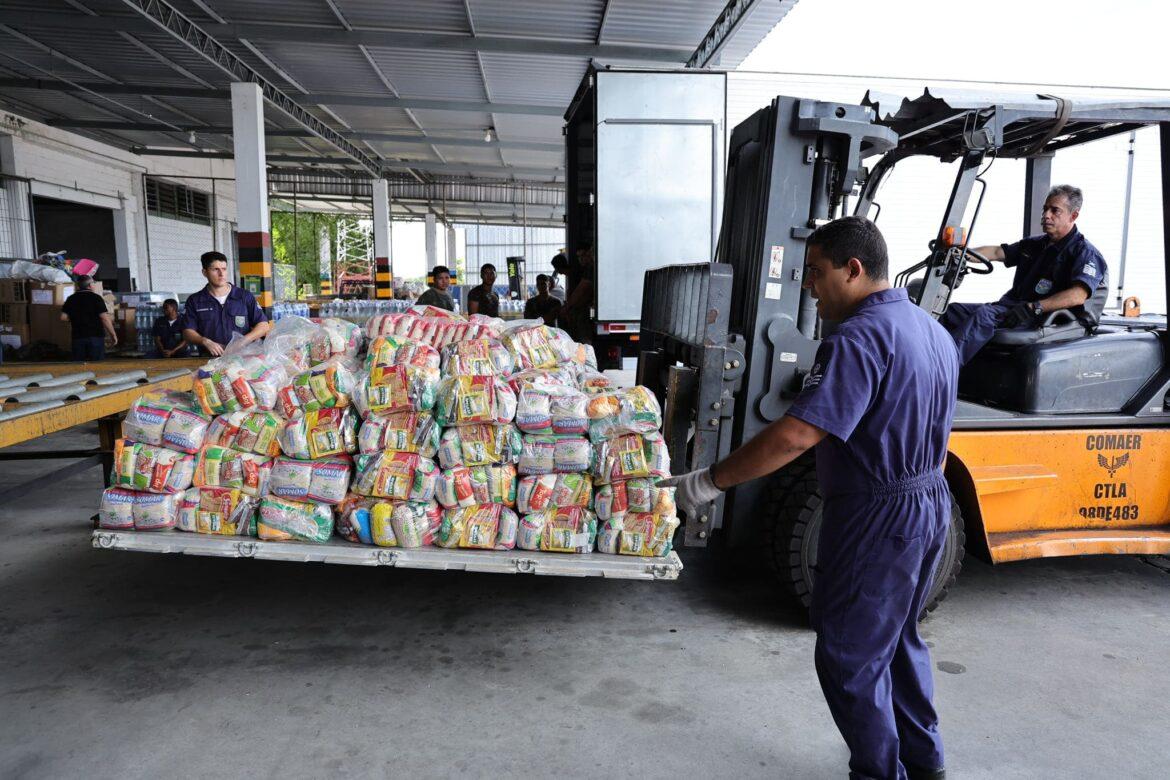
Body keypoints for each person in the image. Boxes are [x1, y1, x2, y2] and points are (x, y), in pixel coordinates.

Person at [663, 217, 958, 780]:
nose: (809, 288)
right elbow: (942, 435)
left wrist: (706, 482)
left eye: (817, 274)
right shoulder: (932, 330)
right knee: (898, 640)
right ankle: (925, 764)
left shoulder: (857, 338)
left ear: (853, 270)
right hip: (929, 500)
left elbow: (798, 433)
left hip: (878, 512)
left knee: (849, 654)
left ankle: (877, 773)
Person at [939, 184, 1107, 364]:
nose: (1046, 215)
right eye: (1045, 209)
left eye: (1054, 210)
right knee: (949, 312)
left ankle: (942, 371)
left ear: (1073, 216)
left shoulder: (1085, 253)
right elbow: (997, 252)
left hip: (1044, 318)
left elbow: (1077, 295)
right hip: (1013, 307)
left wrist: (1034, 307)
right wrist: (962, 255)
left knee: (984, 315)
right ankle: (930, 361)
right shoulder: (1035, 245)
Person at [181, 251, 269, 357]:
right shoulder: (195, 301)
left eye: (224, 269)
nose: (221, 274)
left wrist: (243, 341)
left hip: (242, 359)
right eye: (215, 269)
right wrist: (205, 341)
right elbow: (187, 332)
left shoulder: (244, 296)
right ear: (204, 272)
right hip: (210, 360)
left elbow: (263, 326)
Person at [60, 274, 116, 360]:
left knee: (79, 367)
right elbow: (104, 318)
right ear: (90, 286)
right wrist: (113, 335)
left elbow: (63, 317)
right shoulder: (96, 298)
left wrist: (77, 318)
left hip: (77, 337)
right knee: (97, 366)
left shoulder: (71, 298)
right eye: (93, 283)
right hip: (95, 337)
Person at [559, 241, 595, 343]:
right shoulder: (587, 269)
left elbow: (581, 290)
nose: (581, 259)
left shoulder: (591, 269)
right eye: (579, 257)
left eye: (583, 255)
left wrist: (567, 308)